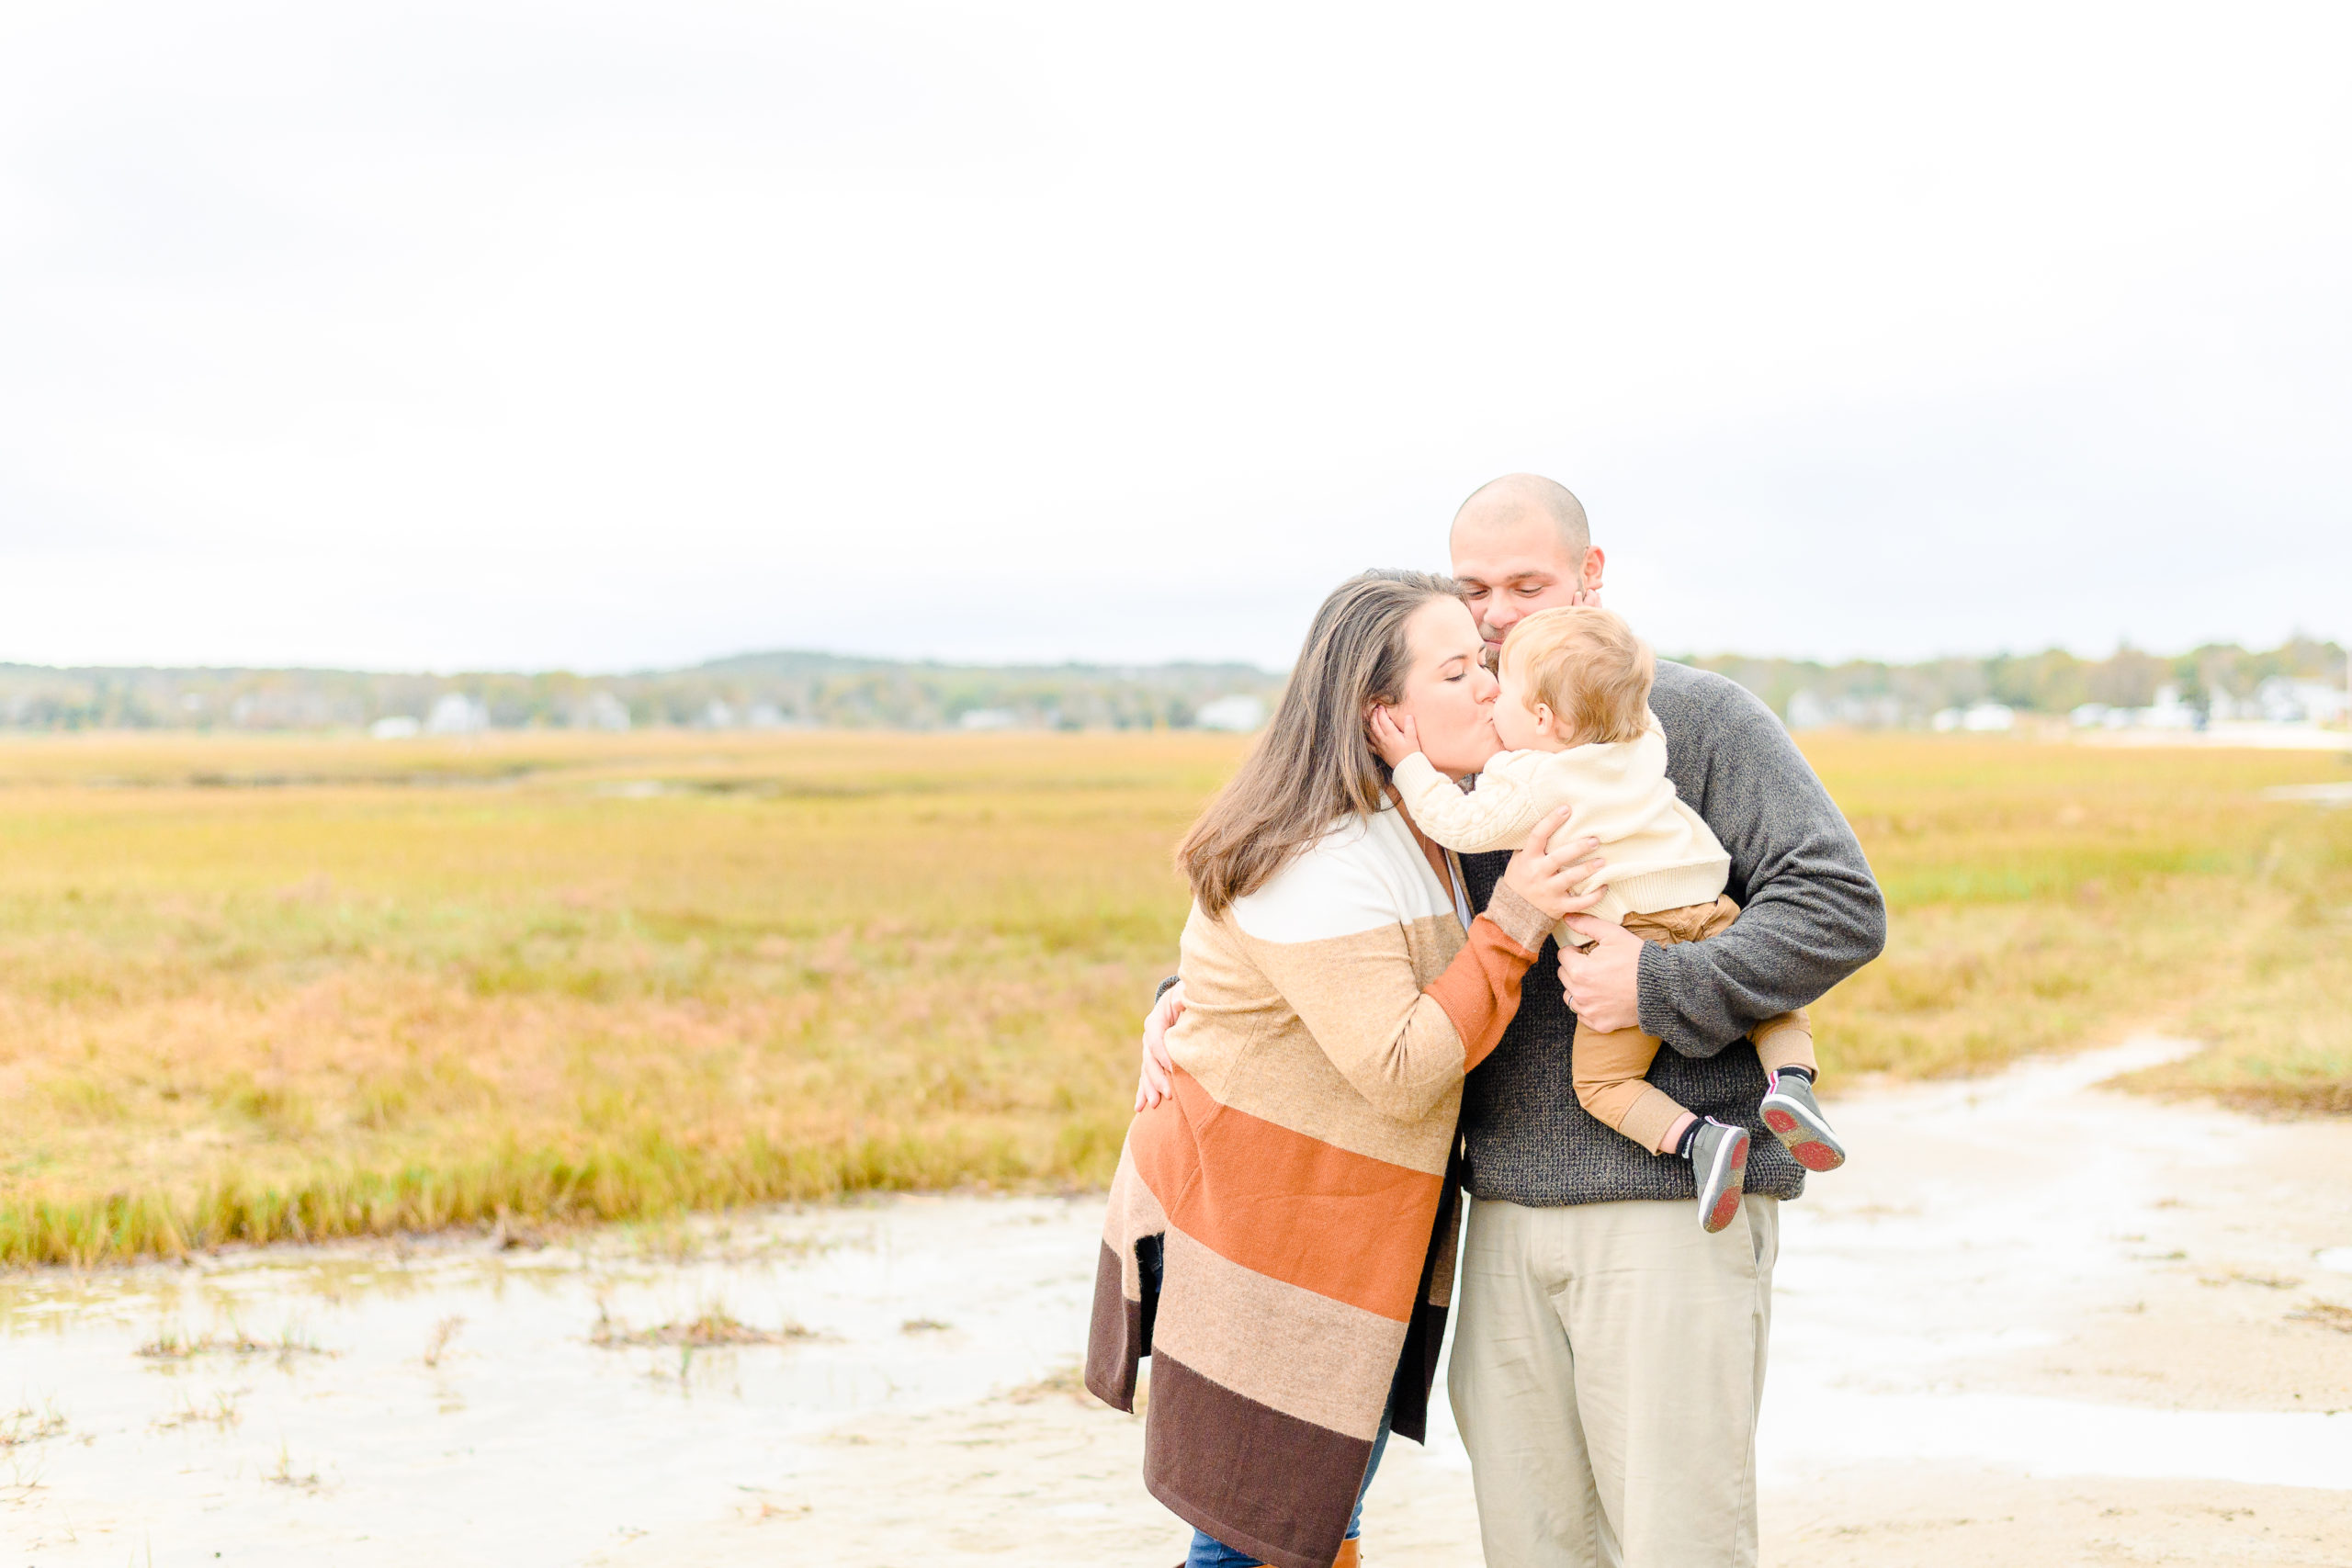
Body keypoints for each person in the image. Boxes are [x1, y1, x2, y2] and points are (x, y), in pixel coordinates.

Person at [1140, 475, 1886, 1567]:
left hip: (1669, 1202)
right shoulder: (1452, 746)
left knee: (1678, 1536)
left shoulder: (1697, 719)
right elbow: (1316, 909)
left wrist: (1658, 991)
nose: (1496, 614)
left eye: (1527, 585)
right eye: (1472, 589)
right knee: (1533, 1543)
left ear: (1591, 579)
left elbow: (1836, 904)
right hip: (1491, 1208)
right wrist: (1179, 1003)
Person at [1086, 569, 1602, 1568]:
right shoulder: (1320, 853)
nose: (1490, 688)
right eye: (1457, 672)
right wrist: (1519, 918)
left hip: (1339, 1219)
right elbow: (1403, 1065)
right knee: (1256, 1525)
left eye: (1484, 663)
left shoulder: (1426, 819)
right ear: (1383, 717)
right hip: (1260, 1226)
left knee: (1318, 1510)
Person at [1371, 602, 1846, 1234]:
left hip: (1630, 932)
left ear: (1541, 717)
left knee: (1603, 1084)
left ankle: (1698, 1142)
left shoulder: (1536, 780)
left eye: (1502, 689)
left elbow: (1457, 823)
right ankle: (1791, 1082)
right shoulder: (1642, 740)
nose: (1490, 698)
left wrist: (1407, 762)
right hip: (1708, 905)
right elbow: (1629, 700)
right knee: (1778, 1008)